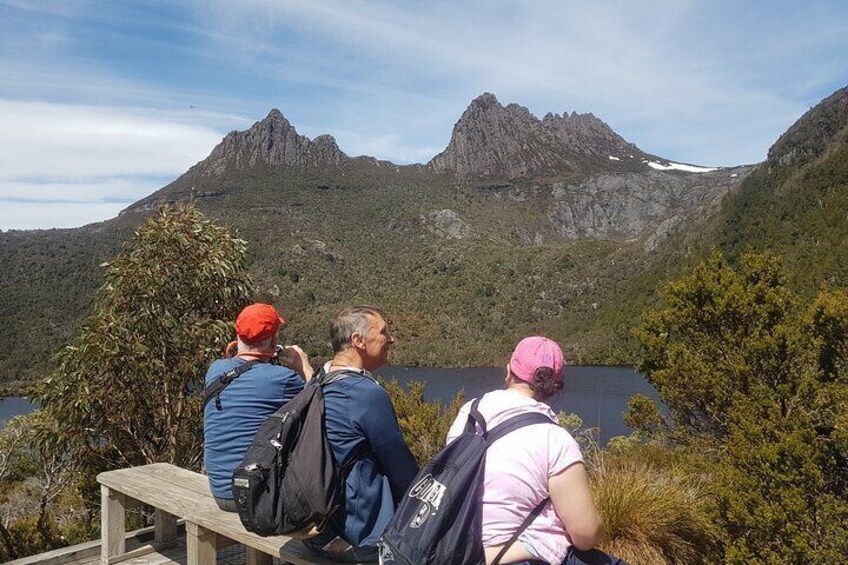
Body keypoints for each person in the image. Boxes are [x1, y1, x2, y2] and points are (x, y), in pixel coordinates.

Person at [446, 336, 627, 565]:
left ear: (509, 370)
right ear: (556, 386)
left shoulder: (470, 413)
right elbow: (586, 534)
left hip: (453, 548)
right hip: (513, 557)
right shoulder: (556, 439)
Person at [302, 306, 419, 562]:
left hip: (316, 533)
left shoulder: (318, 382)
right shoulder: (364, 394)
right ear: (358, 340)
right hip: (359, 540)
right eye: (384, 332)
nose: (391, 339)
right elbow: (401, 469)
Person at [203, 303, 312, 512]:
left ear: (238, 336)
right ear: (274, 339)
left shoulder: (215, 370)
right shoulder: (283, 379)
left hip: (220, 492)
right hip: (256, 496)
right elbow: (318, 405)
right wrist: (304, 366)